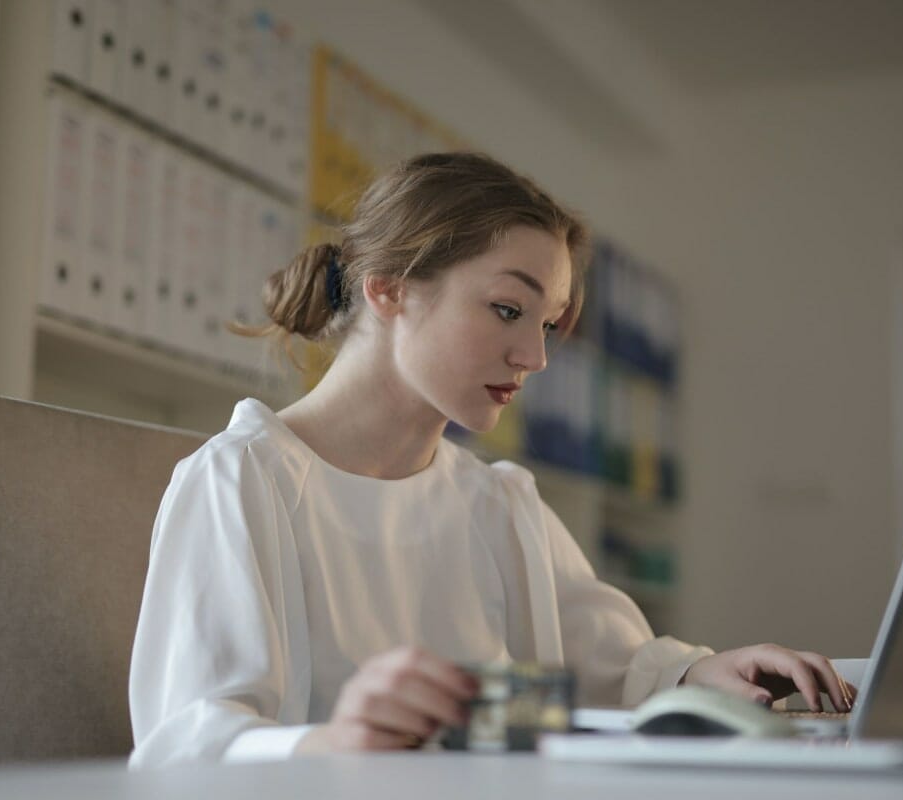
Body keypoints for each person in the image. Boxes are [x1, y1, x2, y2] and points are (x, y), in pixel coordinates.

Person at [128, 152, 852, 767]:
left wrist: (705, 673)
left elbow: (621, 667)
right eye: (509, 310)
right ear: (389, 288)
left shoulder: (499, 504)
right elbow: (180, 746)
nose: (534, 357)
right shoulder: (242, 481)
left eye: (546, 325)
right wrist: (332, 742)